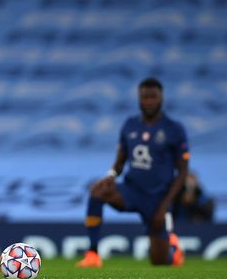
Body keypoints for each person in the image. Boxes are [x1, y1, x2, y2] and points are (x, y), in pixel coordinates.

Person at [77, 77, 188, 268]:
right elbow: (120, 161)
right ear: (139, 98)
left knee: (159, 263)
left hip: (158, 197)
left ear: (161, 98)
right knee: (97, 192)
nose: (149, 101)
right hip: (132, 190)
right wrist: (111, 175)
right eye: (145, 97)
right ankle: (93, 254)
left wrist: (165, 205)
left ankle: (173, 249)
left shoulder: (174, 129)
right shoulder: (130, 125)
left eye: (153, 97)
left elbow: (183, 172)